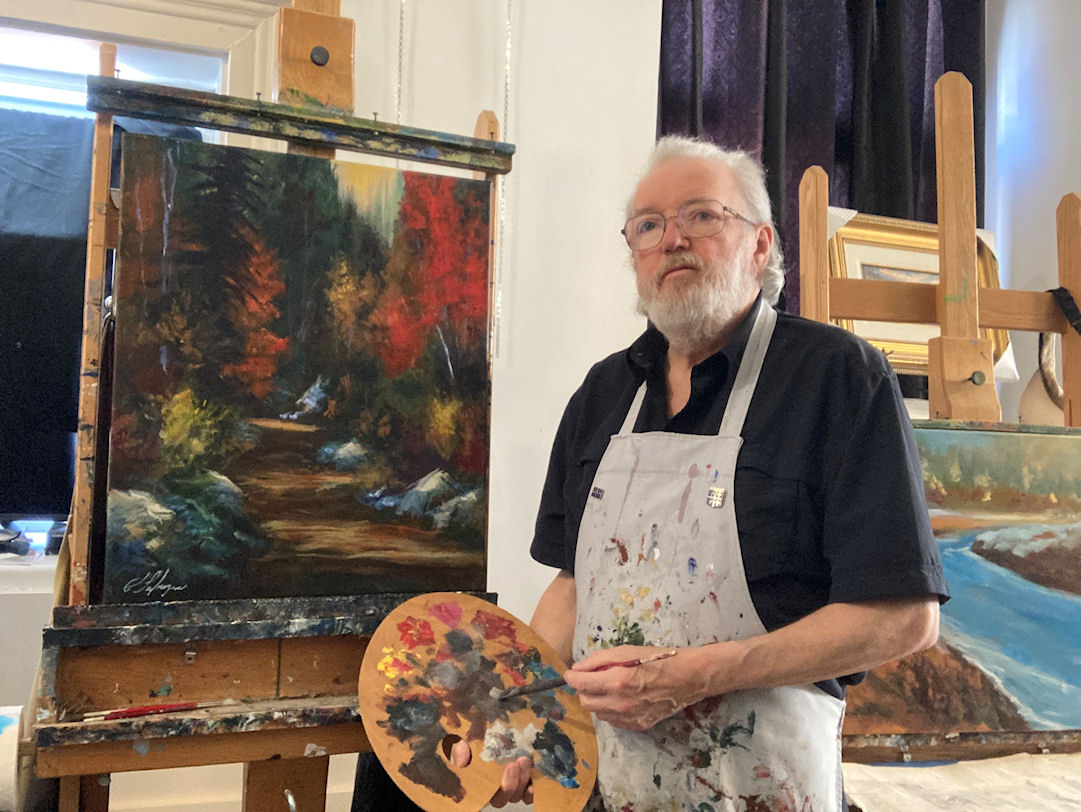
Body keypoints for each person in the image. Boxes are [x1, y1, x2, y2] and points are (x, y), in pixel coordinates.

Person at [467, 135, 949, 810]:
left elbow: (902, 618)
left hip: (764, 786)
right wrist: (526, 717)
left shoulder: (838, 377)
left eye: (701, 215)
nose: (672, 240)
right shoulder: (602, 394)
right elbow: (572, 586)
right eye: (648, 225)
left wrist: (695, 676)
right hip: (610, 786)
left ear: (760, 245)